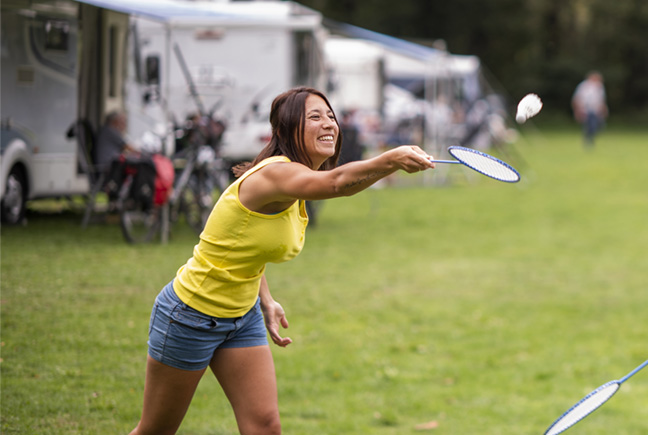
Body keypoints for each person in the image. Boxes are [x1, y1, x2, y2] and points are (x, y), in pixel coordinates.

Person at [130, 87, 435, 435]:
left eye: (331, 116)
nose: (329, 124)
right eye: (315, 117)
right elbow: (336, 183)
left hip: (240, 318)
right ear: (288, 129)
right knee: (155, 431)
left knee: (264, 427)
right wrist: (390, 159)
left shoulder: (294, 183)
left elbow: (245, 246)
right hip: (192, 314)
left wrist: (265, 299)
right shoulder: (276, 175)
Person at [571, 71, 608, 149]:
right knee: (591, 125)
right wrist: (578, 110)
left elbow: (601, 99)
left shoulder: (599, 87)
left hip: (596, 110)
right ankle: (588, 140)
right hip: (586, 110)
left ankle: (590, 138)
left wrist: (604, 109)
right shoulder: (584, 87)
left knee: (600, 125)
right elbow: (577, 98)